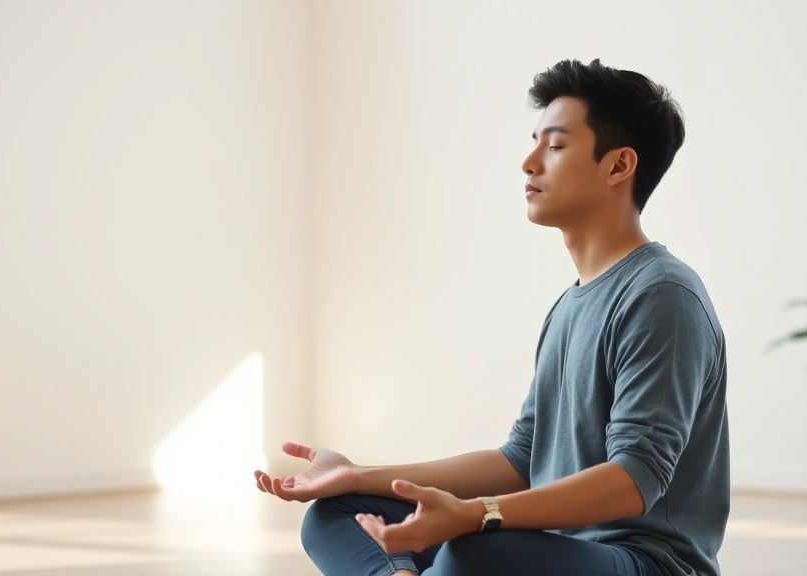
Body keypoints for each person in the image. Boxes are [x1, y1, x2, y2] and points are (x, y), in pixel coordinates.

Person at [253, 58, 729, 576]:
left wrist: (476, 516)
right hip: (560, 553)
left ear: (617, 166)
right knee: (336, 514)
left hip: (647, 565)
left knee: (472, 549)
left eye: (555, 145)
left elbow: (635, 477)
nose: (529, 162)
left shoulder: (662, 293)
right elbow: (521, 460)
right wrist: (355, 476)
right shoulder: (571, 304)